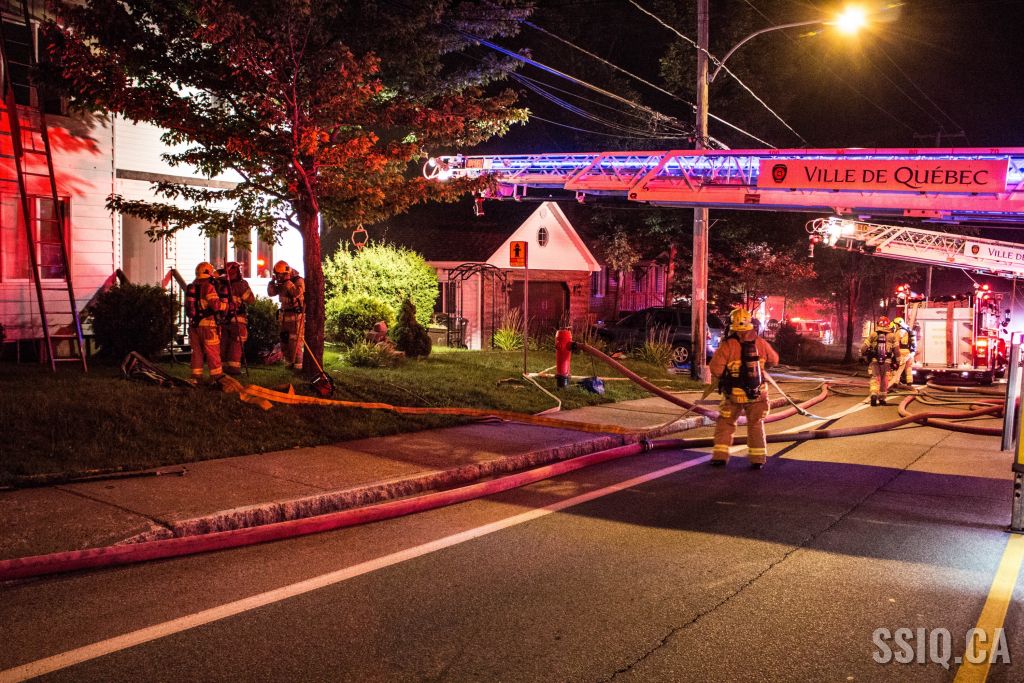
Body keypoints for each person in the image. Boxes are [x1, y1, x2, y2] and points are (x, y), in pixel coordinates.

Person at [708, 308, 780, 470]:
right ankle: (758, 459)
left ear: (731, 325)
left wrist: (727, 377)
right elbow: (774, 359)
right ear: (750, 324)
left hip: (733, 395)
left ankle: (720, 457)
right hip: (757, 394)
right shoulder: (761, 343)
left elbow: (715, 369)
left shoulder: (728, 345)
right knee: (755, 424)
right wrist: (761, 367)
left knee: (726, 423)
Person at [185, 262, 228, 383]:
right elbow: (215, 305)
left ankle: (196, 377)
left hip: (194, 325)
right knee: (212, 352)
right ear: (208, 273)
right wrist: (226, 305)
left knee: (196, 352)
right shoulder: (208, 286)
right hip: (208, 326)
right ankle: (217, 377)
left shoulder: (193, 285)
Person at [218, 261, 256, 376]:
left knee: (224, 342)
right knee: (236, 343)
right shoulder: (241, 284)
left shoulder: (220, 284)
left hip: (223, 319)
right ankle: (234, 369)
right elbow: (251, 300)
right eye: (238, 269)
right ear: (235, 271)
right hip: (237, 319)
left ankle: (223, 368)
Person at [267, 260, 305, 371]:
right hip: (284, 316)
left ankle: (298, 365)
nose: (278, 277)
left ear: (286, 273)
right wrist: (272, 282)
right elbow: (271, 293)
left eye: (279, 275)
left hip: (295, 316)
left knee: (295, 341)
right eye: (276, 275)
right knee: (284, 340)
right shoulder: (281, 281)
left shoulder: (298, 280)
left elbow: (297, 293)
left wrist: (287, 282)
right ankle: (290, 363)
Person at [861, 315, 898, 406]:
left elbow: (863, 348)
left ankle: (874, 394)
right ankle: (882, 399)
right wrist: (898, 361)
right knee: (885, 380)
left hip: (875, 361)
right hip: (887, 362)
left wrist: (864, 354)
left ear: (878, 324)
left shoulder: (873, 334)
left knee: (875, 378)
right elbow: (896, 350)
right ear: (888, 324)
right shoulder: (892, 336)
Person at [890, 316, 916, 388]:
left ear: (898, 324)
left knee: (898, 368)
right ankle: (909, 382)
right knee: (908, 367)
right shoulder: (908, 331)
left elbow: (895, 343)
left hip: (901, 351)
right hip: (909, 352)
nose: (895, 326)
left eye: (895, 325)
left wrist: (892, 352)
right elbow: (912, 343)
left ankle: (895, 382)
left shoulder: (898, 332)